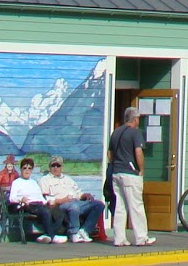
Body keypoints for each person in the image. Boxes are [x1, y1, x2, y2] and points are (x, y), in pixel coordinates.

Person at [108, 105, 156, 247]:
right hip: (130, 173)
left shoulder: (115, 132)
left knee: (120, 206)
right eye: (138, 119)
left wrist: (116, 164)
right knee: (136, 206)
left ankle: (119, 238)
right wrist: (141, 170)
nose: (138, 121)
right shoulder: (135, 133)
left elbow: (109, 154)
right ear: (135, 119)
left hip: (116, 172)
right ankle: (141, 237)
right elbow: (138, 152)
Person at [39, 156, 106, 242]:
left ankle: (84, 231)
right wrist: (63, 200)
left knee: (98, 204)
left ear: (62, 167)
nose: (55, 168)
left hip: (75, 201)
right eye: (53, 165)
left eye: (58, 165)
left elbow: (77, 192)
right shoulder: (45, 180)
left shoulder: (68, 179)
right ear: (49, 167)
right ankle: (73, 233)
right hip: (60, 205)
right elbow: (47, 199)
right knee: (74, 206)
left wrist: (84, 195)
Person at [6, 158, 62, 242]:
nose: (27, 171)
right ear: (21, 169)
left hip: (39, 204)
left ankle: (47, 235)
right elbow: (12, 198)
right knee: (45, 212)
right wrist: (21, 199)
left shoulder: (34, 182)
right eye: (25, 168)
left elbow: (40, 196)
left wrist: (47, 202)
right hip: (28, 205)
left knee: (59, 212)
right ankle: (51, 235)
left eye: (29, 168)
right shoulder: (17, 182)